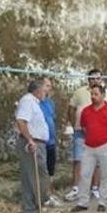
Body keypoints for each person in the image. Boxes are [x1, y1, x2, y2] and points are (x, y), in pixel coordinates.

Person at [65, 69, 107, 202]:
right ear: (88, 79)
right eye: (92, 78)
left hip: (100, 135)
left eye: (97, 78)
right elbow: (71, 109)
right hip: (81, 132)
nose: (95, 80)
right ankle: (76, 189)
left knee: (98, 163)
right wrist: (74, 124)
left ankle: (95, 189)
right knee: (78, 160)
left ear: (101, 79)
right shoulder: (79, 92)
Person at [71, 84, 107, 213]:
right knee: (84, 174)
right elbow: (83, 127)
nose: (93, 97)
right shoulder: (86, 111)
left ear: (103, 95)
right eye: (92, 94)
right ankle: (83, 202)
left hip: (106, 146)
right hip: (89, 146)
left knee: (105, 174)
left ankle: (102, 202)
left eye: (96, 94)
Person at [15, 79, 54, 213]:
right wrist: (30, 140)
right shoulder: (28, 101)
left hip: (37, 142)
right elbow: (21, 121)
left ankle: (31, 209)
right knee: (37, 175)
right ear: (37, 90)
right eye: (44, 90)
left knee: (31, 176)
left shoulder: (34, 102)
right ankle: (35, 206)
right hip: (32, 143)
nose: (46, 92)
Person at [37, 78, 62, 206]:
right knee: (41, 170)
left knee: (50, 170)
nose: (49, 88)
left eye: (50, 86)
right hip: (40, 142)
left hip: (51, 141)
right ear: (40, 86)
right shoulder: (34, 102)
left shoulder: (50, 103)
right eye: (47, 85)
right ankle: (42, 197)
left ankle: (48, 194)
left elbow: (52, 119)